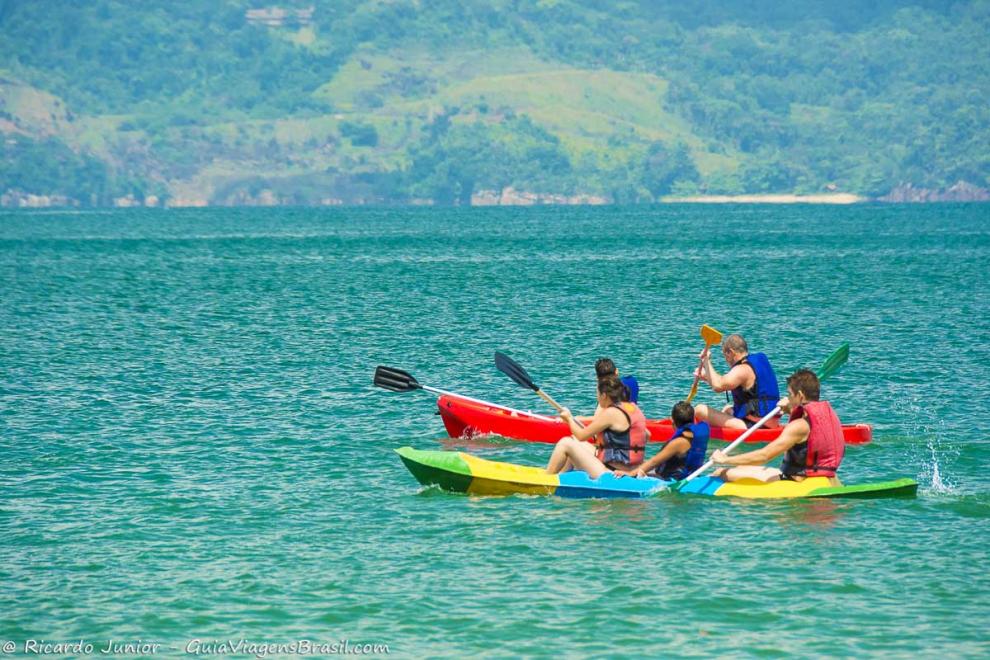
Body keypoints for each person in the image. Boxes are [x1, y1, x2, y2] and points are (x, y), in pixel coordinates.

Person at [709, 369, 845, 483]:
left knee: (721, 472)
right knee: (739, 468)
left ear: (801, 396)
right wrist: (791, 409)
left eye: (790, 394)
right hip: (822, 476)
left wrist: (725, 459)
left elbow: (764, 455)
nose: (788, 398)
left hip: (795, 479)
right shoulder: (830, 414)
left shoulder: (799, 426)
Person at [546, 375, 647, 479]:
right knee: (574, 441)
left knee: (565, 443)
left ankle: (546, 480)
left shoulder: (611, 413)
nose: (597, 398)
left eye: (597, 394)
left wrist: (569, 419)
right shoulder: (634, 409)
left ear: (604, 395)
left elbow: (582, 436)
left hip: (612, 473)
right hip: (630, 470)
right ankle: (562, 477)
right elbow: (647, 434)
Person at [694, 334, 780, 430]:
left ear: (730, 352)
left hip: (755, 427)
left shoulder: (742, 369)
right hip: (771, 421)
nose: (726, 360)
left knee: (699, 410)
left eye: (725, 356)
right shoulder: (758, 360)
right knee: (727, 409)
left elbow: (718, 386)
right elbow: (726, 383)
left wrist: (706, 361)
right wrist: (707, 377)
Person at [614, 401, 709, 481]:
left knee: (624, 468)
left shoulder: (679, 442)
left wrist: (631, 473)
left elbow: (654, 462)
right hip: (690, 475)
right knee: (637, 464)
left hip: (671, 479)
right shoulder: (699, 436)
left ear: (673, 421)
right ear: (693, 419)